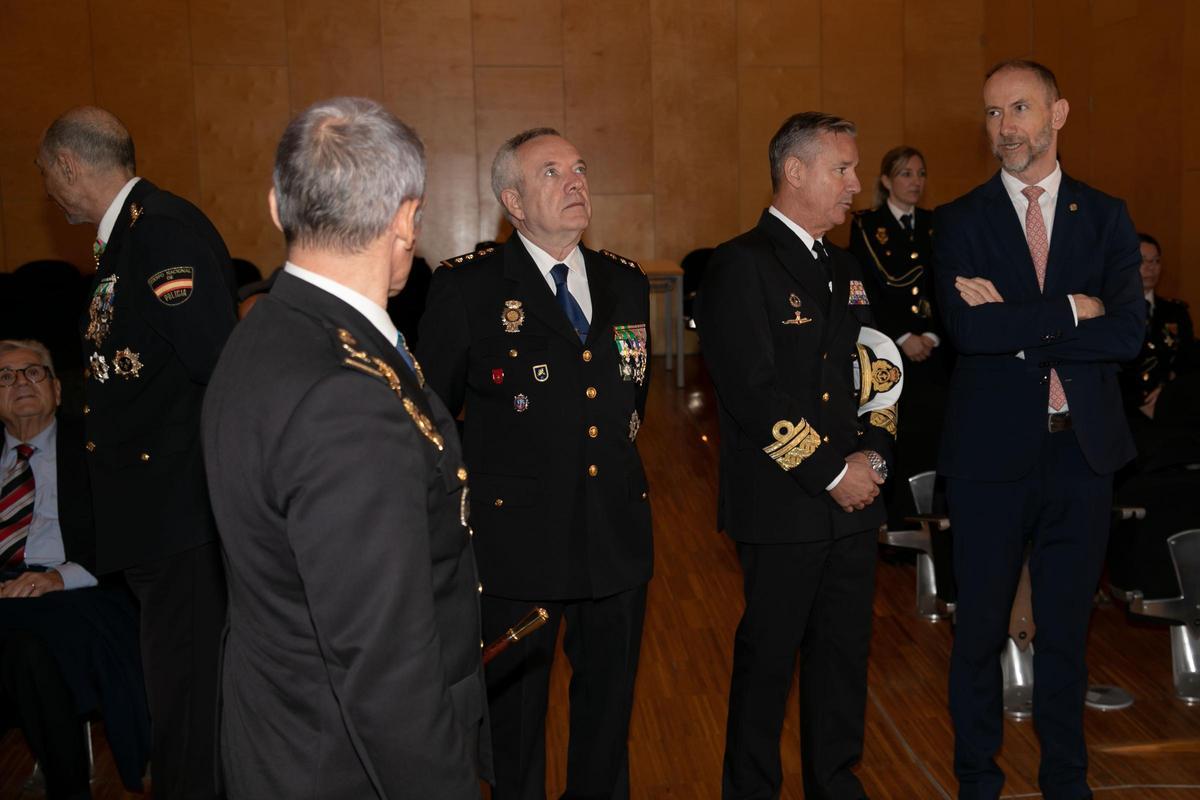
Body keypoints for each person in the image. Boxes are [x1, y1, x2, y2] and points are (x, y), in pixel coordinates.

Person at [202, 97, 489, 798]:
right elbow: (385, 666)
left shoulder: (264, 329)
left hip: (280, 728)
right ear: (406, 219)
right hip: (344, 762)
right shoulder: (344, 396)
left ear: (277, 207)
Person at [417, 128, 652, 800]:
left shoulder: (623, 281)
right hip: (515, 545)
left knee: (607, 726)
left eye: (579, 168)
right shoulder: (470, 288)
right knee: (515, 732)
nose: (576, 182)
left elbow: (632, 397)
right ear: (514, 201)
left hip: (615, 535)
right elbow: (428, 421)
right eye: (553, 173)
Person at [934, 60, 1143, 798]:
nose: (1004, 129)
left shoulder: (1106, 214)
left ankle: (1067, 781)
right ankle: (976, 782)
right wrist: (1067, 312)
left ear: (1058, 114)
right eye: (991, 114)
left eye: (1019, 108)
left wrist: (1017, 331)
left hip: (1081, 456)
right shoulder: (960, 220)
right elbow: (966, 330)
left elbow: (1126, 334)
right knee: (980, 632)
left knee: (1065, 635)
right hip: (990, 458)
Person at [35, 106, 234, 799]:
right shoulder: (126, 237)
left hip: (179, 514)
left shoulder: (160, 233)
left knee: (187, 700)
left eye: (49, 179)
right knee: (174, 692)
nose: (51, 197)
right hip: (153, 518)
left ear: (67, 165)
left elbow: (217, 366)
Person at [696, 112, 895, 800]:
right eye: (842, 169)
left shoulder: (845, 267)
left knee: (843, 663)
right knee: (768, 666)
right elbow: (752, 392)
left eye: (855, 169)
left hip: (856, 505)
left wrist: (874, 459)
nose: (856, 185)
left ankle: (836, 787)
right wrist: (832, 472)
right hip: (786, 506)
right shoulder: (740, 264)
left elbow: (879, 368)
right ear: (795, 172)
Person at [0, 339, 149, 799]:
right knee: (23, 643)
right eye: (4, 377)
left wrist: (55, 578)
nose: (20, 382)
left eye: (32, 372)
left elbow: (131, 533)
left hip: (78, 589)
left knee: (29, 643)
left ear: (58, 390)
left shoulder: (97, 447)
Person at [848, 145, 949, 526]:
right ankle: (898, 525)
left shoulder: (935, 223)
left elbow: (945, 288)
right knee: (898, 438)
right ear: (887, 180)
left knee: (934, 438)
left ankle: (934, 525)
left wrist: (934, 336)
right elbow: (866, 292)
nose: (915, 182)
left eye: (921, 174)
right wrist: (904, 336)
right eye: (906, 174)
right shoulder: (866, 225)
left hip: (934, 352)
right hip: (891, 349)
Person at [1120, 232, 1195, 419]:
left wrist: (1167, 391)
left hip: (1169, 406)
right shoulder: (1111, 311)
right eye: (1142, 261)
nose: (1150, 269)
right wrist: (1137, 400)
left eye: (1156, 261)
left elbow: (1188, 361)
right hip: (1123, 410)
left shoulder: (1175, 311)